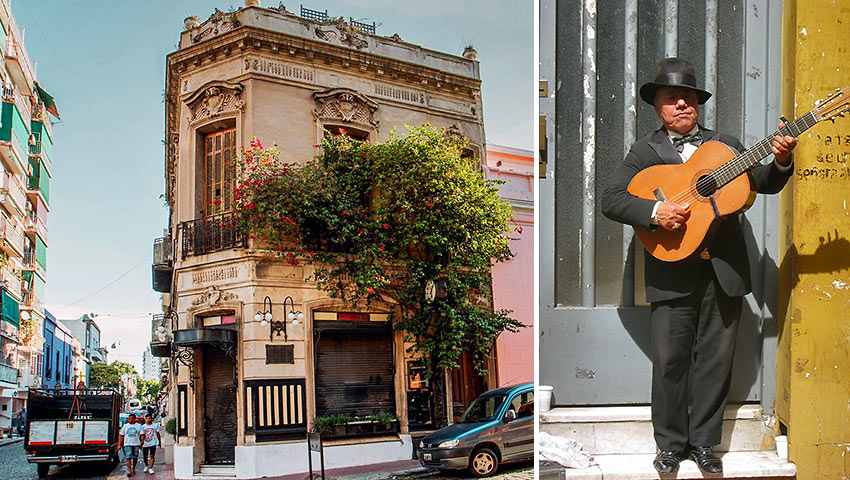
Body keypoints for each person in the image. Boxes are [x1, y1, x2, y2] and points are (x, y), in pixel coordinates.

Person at [601, 57, 797, 474]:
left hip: (724, 271)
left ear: (697, 104)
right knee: (670, 361)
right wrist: (655, 211)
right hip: (670, 270)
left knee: (716, 360)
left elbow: (762, 182)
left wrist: (780, 159)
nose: (682, 105)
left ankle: (706, 444)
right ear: (658, 107)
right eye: (672, 98)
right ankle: (669, 445)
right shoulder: (644, 150)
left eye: (688, 97)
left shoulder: (723, 146)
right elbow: (613, 199)